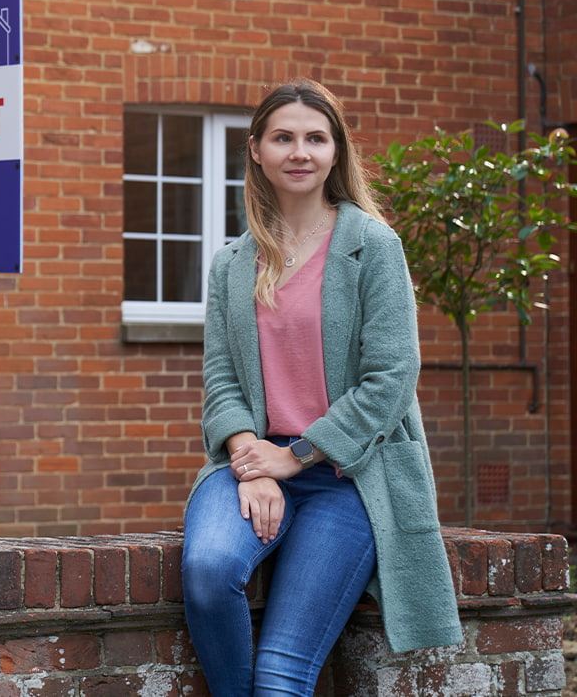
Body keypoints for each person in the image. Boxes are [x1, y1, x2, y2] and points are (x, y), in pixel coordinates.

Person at [180, 79, 462, 696]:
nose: (299, 152)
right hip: (257, 460)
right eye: (283, 138)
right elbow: (221, 377)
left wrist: (296, 456)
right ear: (256, 150)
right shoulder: (234, 262)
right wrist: (250, 460)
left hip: (348, 476)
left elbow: (391, 379)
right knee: (207, 569)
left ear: (337, 152)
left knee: (283, 674)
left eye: (316, 138)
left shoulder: (372, 246)